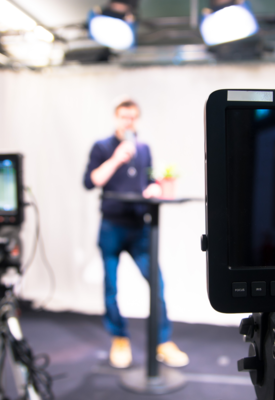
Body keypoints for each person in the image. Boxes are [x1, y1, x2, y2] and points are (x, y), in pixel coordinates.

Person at [83, 98, 189, 369]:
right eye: (123, 117)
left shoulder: (143, 149)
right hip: (111, 226)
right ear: (116, 118)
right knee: (111, 286)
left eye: (132, 117)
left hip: (139, 226)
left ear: (136, 120)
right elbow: (91, 181)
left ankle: (162, 341)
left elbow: (149, 180)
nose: (128, 122)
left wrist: (155, 187)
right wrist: (116, 159)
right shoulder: (102, 147)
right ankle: (119, 338)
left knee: (157, 283)